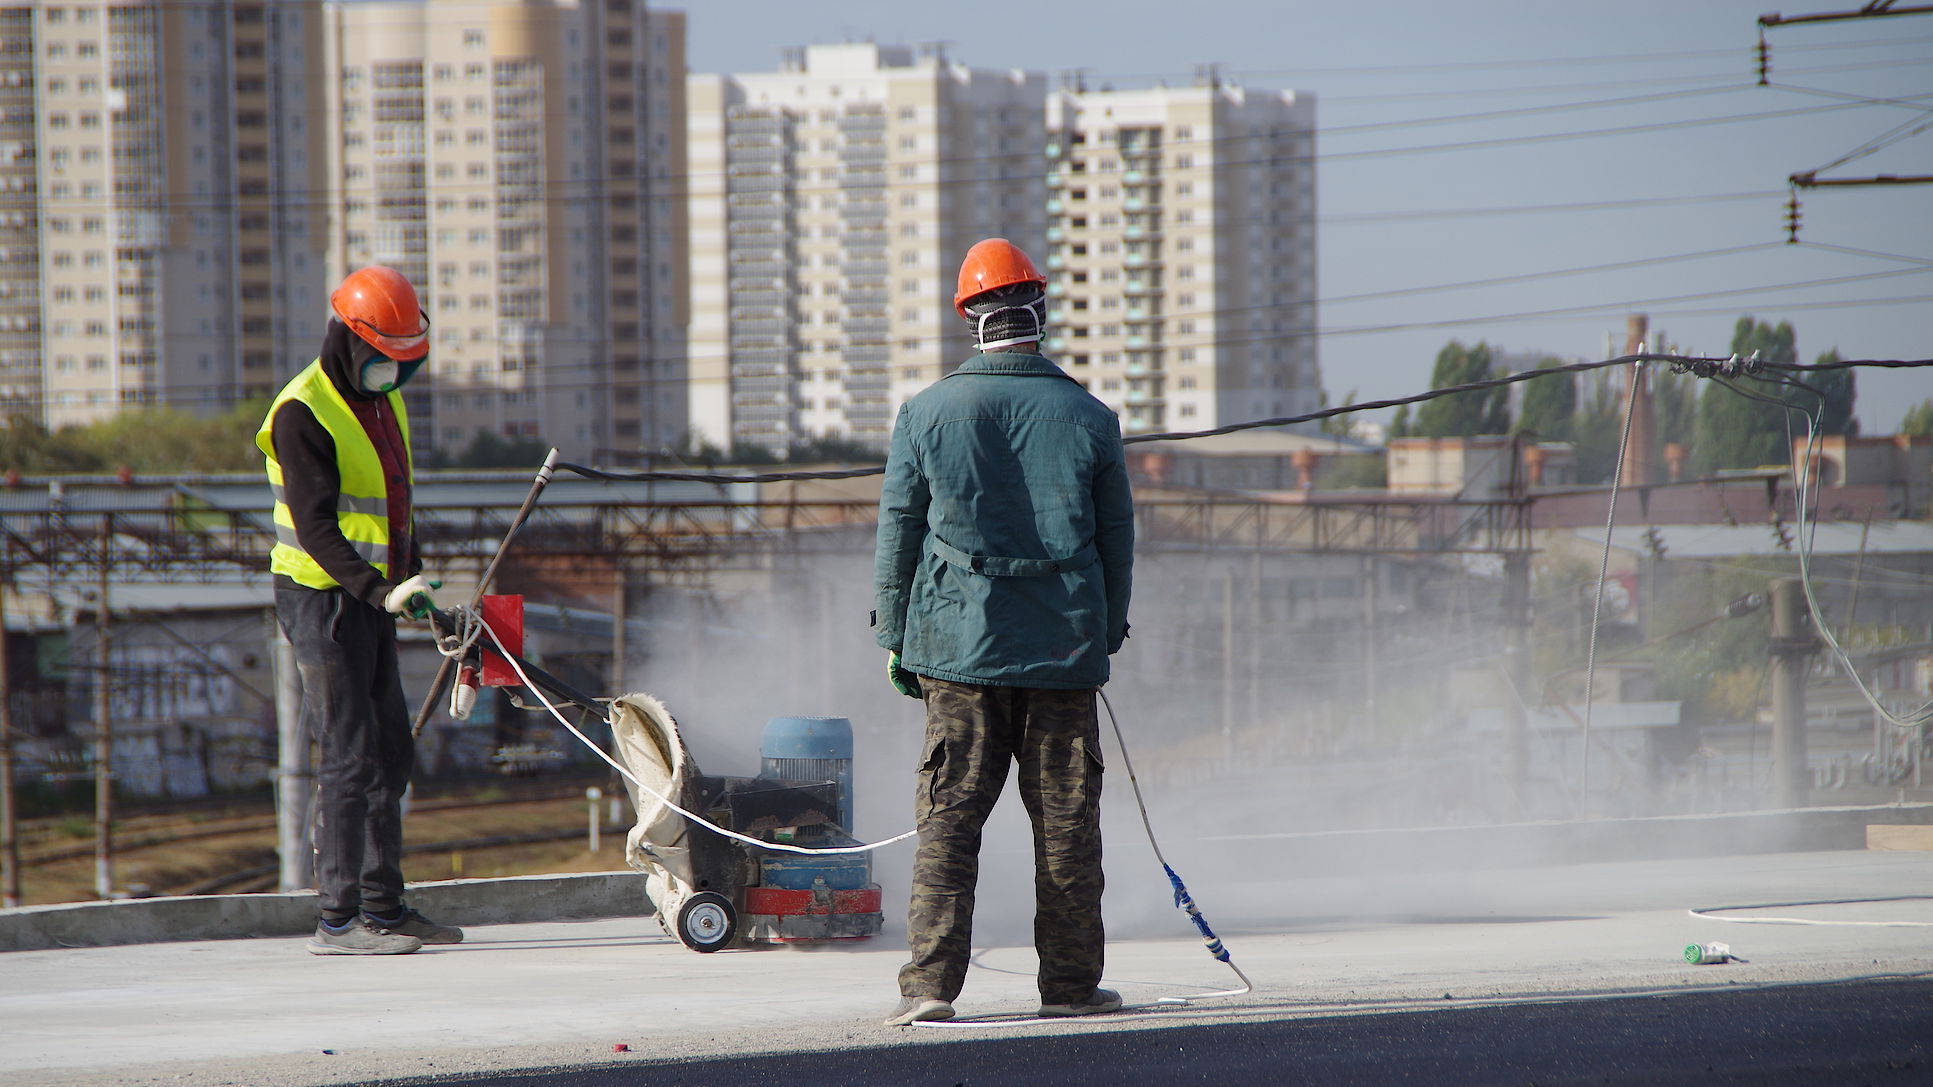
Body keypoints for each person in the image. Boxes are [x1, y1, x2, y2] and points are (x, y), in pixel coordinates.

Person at [873, 238, 1134, 1025]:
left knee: (948, 819)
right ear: (1038, 314)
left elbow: (899, 531)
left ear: (970, 318)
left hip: (957, 651)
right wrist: (1105, 630)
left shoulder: (925, 413)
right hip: (1062, 654)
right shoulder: (1090, 416)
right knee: (1065, 824)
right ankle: (1069, 986)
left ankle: (929, 988)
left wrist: (895, 632)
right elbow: (1116, 537)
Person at [257, 265, 462, 955]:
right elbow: (317, 527)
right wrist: (379, 589)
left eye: (406, 362)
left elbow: (394, 500)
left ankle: (384, 907)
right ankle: (337, 921)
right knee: (347, 757)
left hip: (372, 596)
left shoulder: (383, 401)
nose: (396, 376)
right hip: (323, 599)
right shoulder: (302, 411)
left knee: (390, 753)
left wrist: (415, 576)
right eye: (385, 360)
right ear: (349, 340)